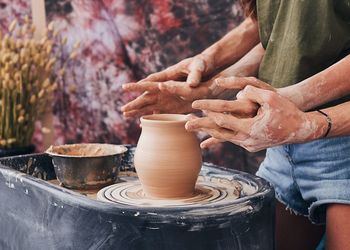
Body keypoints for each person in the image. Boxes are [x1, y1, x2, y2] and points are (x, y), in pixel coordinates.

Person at [122, 1, 350, 249]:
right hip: (284, 144)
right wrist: (212, 78)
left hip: (341, 141)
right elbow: (284, 26)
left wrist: (299, 105)